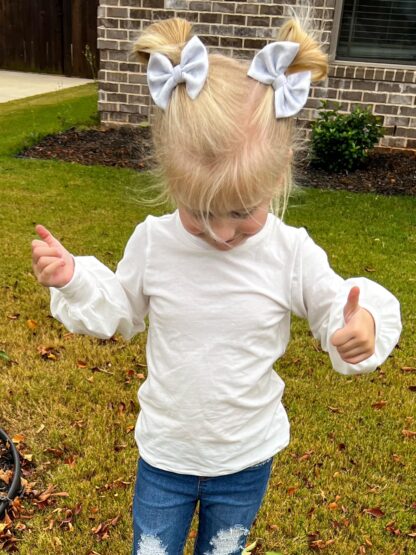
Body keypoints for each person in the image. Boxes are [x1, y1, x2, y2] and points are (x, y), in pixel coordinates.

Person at [31, 13, 402, 555]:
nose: (222, 233)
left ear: (278, 175)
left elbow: (335, 305)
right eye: (200, 212)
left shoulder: (289, 252)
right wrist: (75, 280)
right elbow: (120, 310)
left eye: (241, 211)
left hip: (245, 458)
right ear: (170, 178)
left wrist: (360, 321)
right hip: (166, 456)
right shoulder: (154, 242)